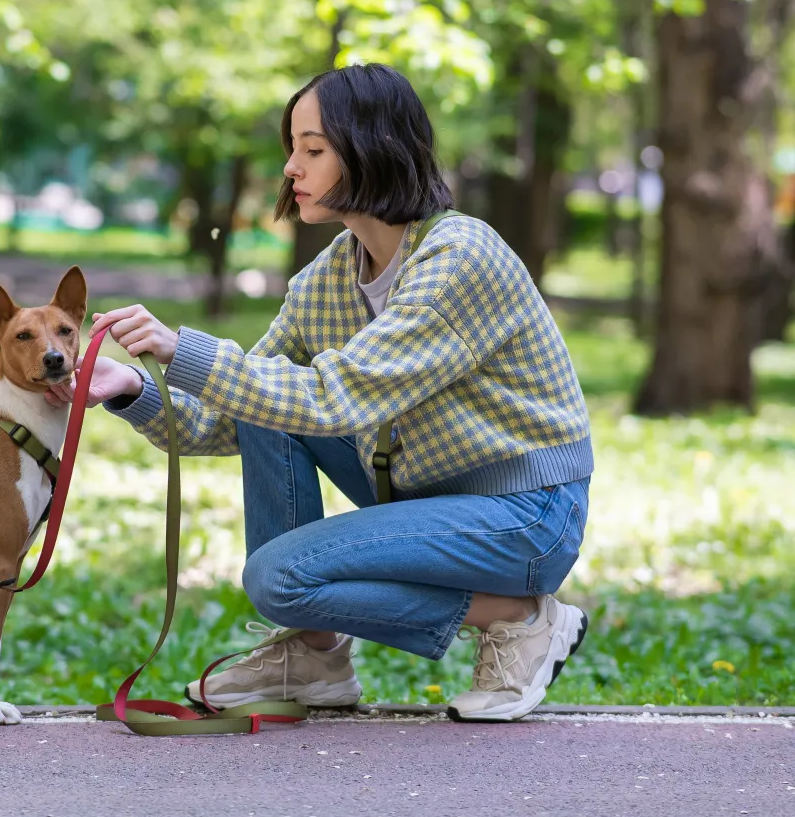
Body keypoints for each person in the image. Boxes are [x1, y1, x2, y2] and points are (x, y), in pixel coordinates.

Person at [45, 64, 593, 722]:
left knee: (280, 576)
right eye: (293, 150)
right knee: (264, 406)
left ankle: (520, 615)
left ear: (373, 148)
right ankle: (315, 655)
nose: (290, 169)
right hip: (424, 497)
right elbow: (232, 418)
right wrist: (132, 387)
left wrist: (182, 346)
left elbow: (336, 399)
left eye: (312, 150)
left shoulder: (460, 257)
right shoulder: (326, 279)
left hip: (524, 516)